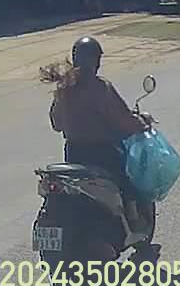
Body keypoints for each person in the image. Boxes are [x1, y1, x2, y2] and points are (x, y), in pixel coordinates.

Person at [41, 37, 149, 258]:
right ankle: (134, 219)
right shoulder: (100, 87)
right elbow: (123, 119)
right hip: (102, 154)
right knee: (129, 179)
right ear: (96, 60)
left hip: (73, 155)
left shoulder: (64, 87)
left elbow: (56, 123)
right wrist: (141, 123)